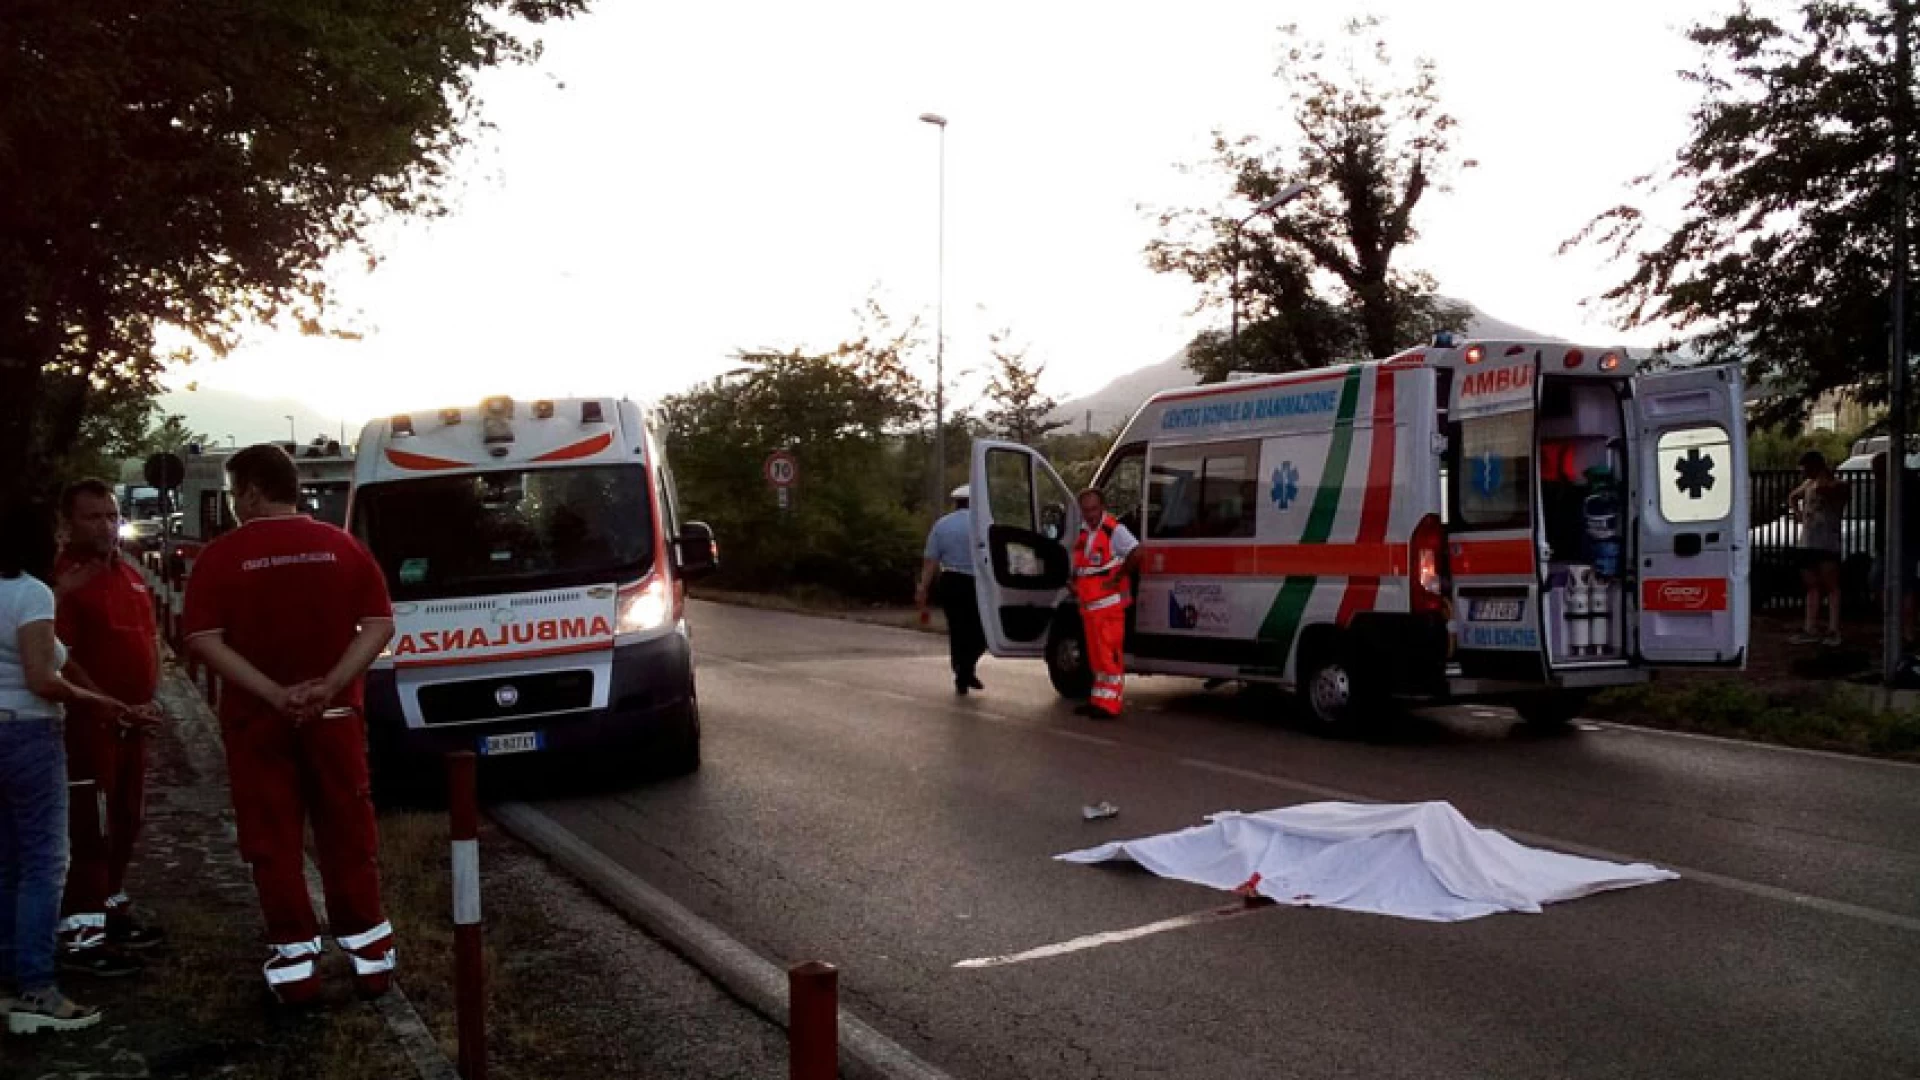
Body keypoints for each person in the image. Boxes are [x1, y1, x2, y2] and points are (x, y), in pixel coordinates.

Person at [181, 445, 397, 1005]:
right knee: (348, 834)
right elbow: (377, 625)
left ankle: (296, 965)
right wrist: (329, 684)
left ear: (252, 490)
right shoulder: (341, 546)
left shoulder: (221, 558)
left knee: (271, 839)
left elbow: (203, 641)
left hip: (258, 724)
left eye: (235, 494)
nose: (235, 504)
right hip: (335, 717)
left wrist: (275, 694)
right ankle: (371, 959)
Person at [1, 499, 124, 1033]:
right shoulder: (30, 592)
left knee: (7, 862)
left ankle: (9, 981)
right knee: (46, 862)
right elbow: (41, 677)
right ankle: (36, 987)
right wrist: (96, 701)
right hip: (28, 732)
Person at [52, 480, 164, 978]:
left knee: (126, 820)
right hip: (87, 727)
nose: (105, 525)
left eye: (110, 515)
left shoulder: (130, 575)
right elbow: (59, 657)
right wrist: (107, 703)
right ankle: (81, 935)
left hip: (133, 723)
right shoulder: (63, 585)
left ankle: (112, 909)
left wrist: (147, 701)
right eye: (92, 516)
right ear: (68, 524)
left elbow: (149, 640)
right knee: (91, 828)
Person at [1072, 488, 1140, 719]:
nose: (1090, 514)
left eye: (1094, 509)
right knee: (1097, 659)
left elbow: (1137, 552)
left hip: (1108, 608)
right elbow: (1085, 568)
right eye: (1086, 510)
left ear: (1102, 507)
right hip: (1090, 609)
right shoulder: (1084, 534)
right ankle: (1098, 700)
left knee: (1110, 659)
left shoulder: (1114, 530)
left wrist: (1119, 578)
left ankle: (1110, 706)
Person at [916, 486, 987, 695]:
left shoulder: (942, 525)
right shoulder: (982, 525)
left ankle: (961, 671)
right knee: (980, 630)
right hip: (977, 583)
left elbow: (930, 560)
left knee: (957, 629)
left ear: (956, 502)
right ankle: (967, 668)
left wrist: (923, 588)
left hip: (951, 581)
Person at [1787, 451, 1848, 646]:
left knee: (1831, 585)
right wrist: (1798, 514)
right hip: (1808, 542)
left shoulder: (1837, 485)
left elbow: (1826, 491)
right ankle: (1810, 626)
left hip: (1827, 543)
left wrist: (1822, 478)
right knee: (1812, 586)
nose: (1804, 473)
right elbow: (1793, 497)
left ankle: (1833, 629)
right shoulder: (1808, 484)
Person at [1871, 452, 1920, 648]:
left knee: (1904, 586)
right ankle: (1899, 628)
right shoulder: (1889, 486)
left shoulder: (1904, 485)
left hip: (1905, 543)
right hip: (1891, 544)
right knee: (1881, 581)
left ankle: (1905, 630)